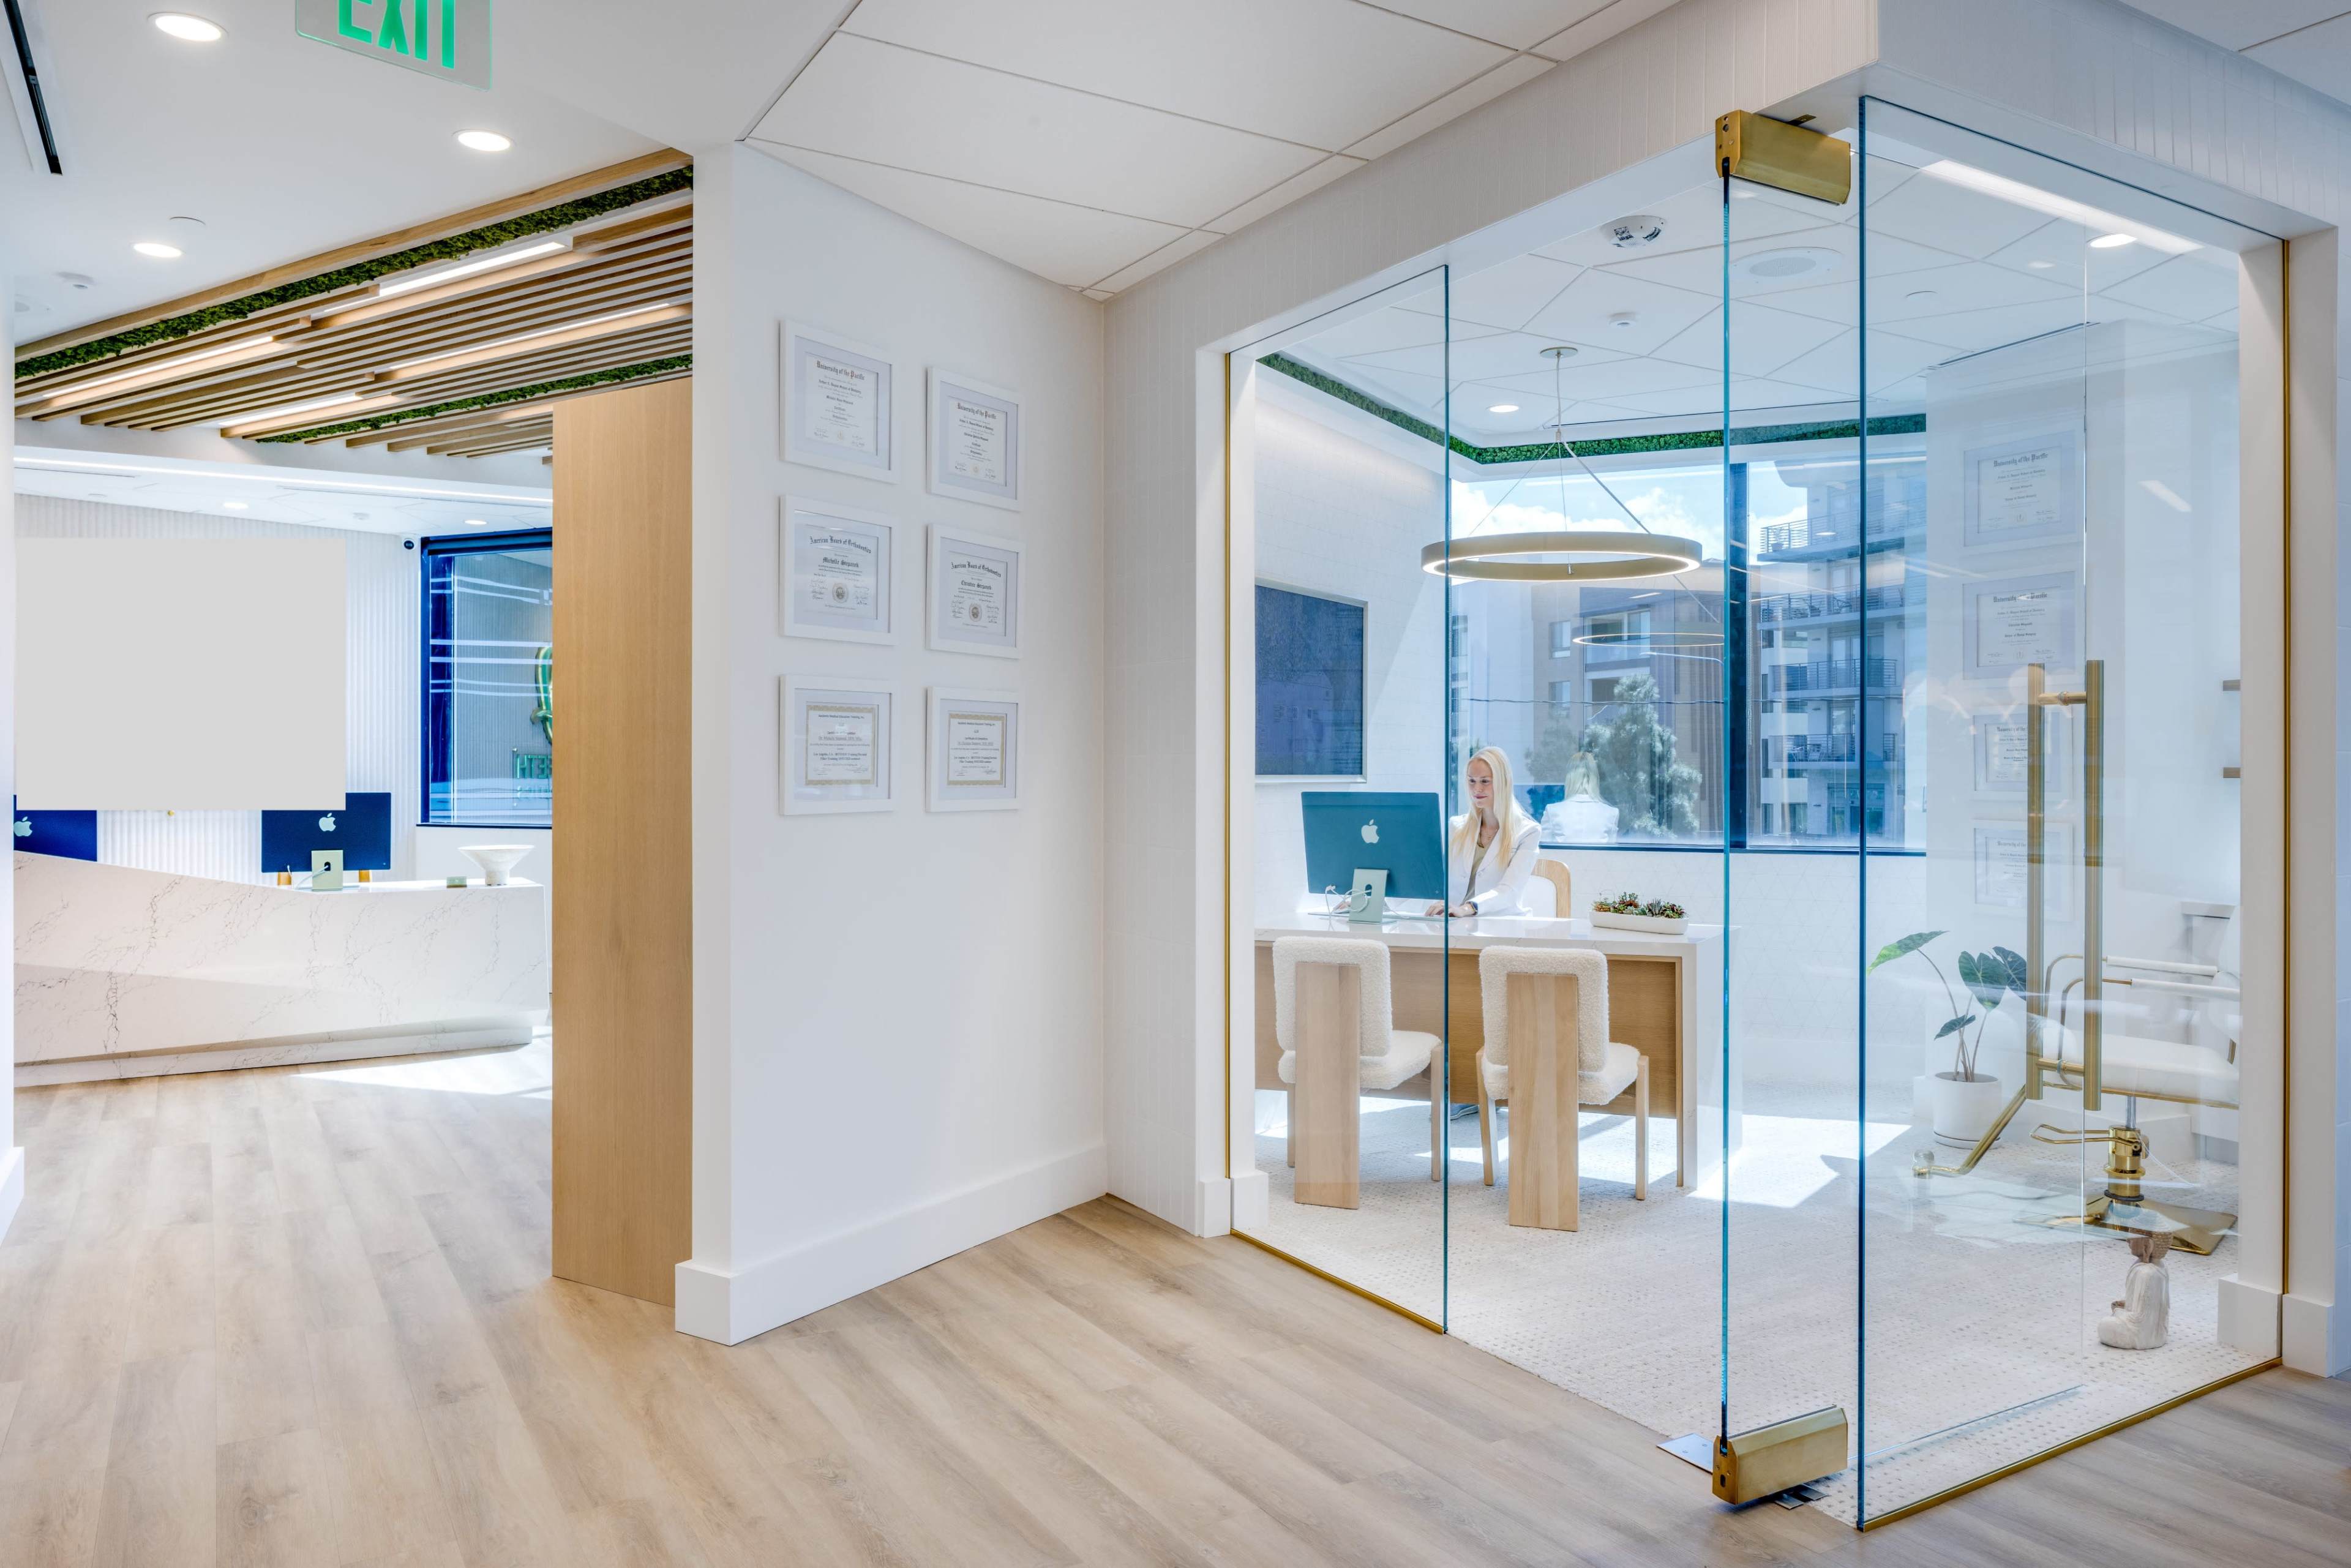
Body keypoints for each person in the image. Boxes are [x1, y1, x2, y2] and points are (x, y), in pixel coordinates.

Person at [1426, 746, 1539, 918]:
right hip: (1456, 922)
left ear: (1503, 782)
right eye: (1472, 781)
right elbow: (1438, 880)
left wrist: (1467, 908)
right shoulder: (1457, 827)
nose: (1477, 789)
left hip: (1500, 924)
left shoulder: (1528, 833)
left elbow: (1509, 891)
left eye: (1485, 781)